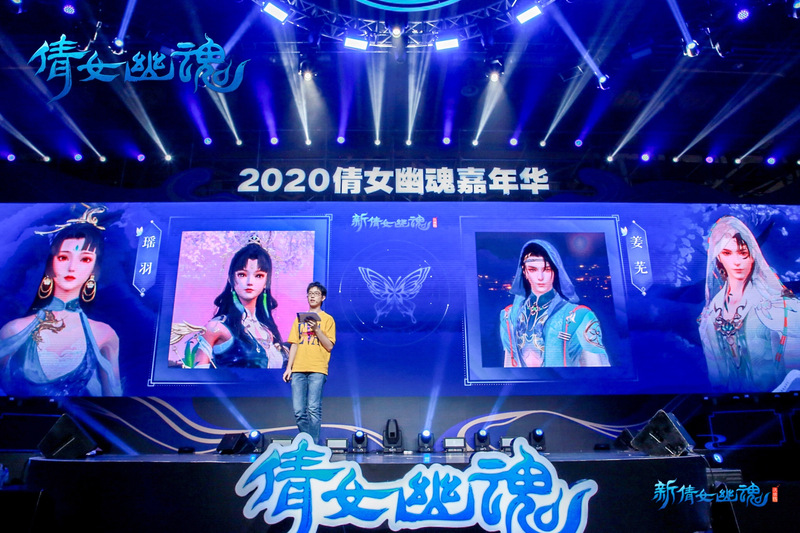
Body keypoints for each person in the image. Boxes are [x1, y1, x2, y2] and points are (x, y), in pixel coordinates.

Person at [0, 205, 122, 396]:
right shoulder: (14, 331)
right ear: (51, 264)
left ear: (94, 271)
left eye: (85, 259)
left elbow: (114, 399)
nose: (72, 267)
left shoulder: (104, 334)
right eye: (64, 257)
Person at [698, 215, 800, 392]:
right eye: (727, 253)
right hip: (727, 405)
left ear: (752, 255)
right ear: (718, 257)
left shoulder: (782, 307)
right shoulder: (710, 315)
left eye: (743, 253)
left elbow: (795, 376)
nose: (737, 262)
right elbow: (717, 381)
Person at [500, 239, 609, 368]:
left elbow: (597, 368)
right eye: (533, 269)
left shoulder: (579, 316)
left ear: (555, 271)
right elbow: (509, 366)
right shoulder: (508, 316)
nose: (540, 277)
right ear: (525, 272)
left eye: (547, 269)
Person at [194, 235, 287, 369]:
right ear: (231, 278)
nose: (250, 282)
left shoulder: (267, 331)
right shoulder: (217, 327)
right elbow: (198, 374)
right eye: (242, 274)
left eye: (258, 275)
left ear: (266, 282)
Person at [283, 281, 336, 444]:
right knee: (299, 411)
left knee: (313, 409)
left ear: (323, 297)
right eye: (310, 294)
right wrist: (289, 368)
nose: (312, 296)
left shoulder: (328, 319)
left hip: (317, 368)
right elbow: (294, 344)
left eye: (316, 294)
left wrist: (317, 329)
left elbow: (329, 346)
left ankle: (312, 446)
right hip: (298, 368)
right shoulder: (299, 319)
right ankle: (309, 442)